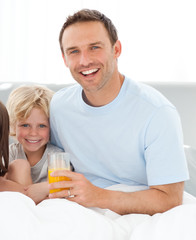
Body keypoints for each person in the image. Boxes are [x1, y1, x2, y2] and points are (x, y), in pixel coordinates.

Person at [49, 9, 189, 215]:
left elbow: (170, 198)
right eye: (74, 51)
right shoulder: (59, 106)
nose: (84, 61)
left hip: (140, 210)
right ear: (64, 59)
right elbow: (49, 162)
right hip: (78, 208)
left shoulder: (157, 112)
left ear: (116, 49)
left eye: (94, 47)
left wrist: (99, 196)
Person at [0, 85, 63, 204]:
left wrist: (45, 188)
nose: (33, 133)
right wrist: (29, 193)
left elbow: (61, 191)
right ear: (13, 125)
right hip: (18, 205)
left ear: (52, 127)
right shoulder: (10, 152)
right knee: (20, 165)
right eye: (25, 125)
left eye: (42, 126)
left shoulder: (56, 155)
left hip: (47, 208)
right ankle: (28, 208)